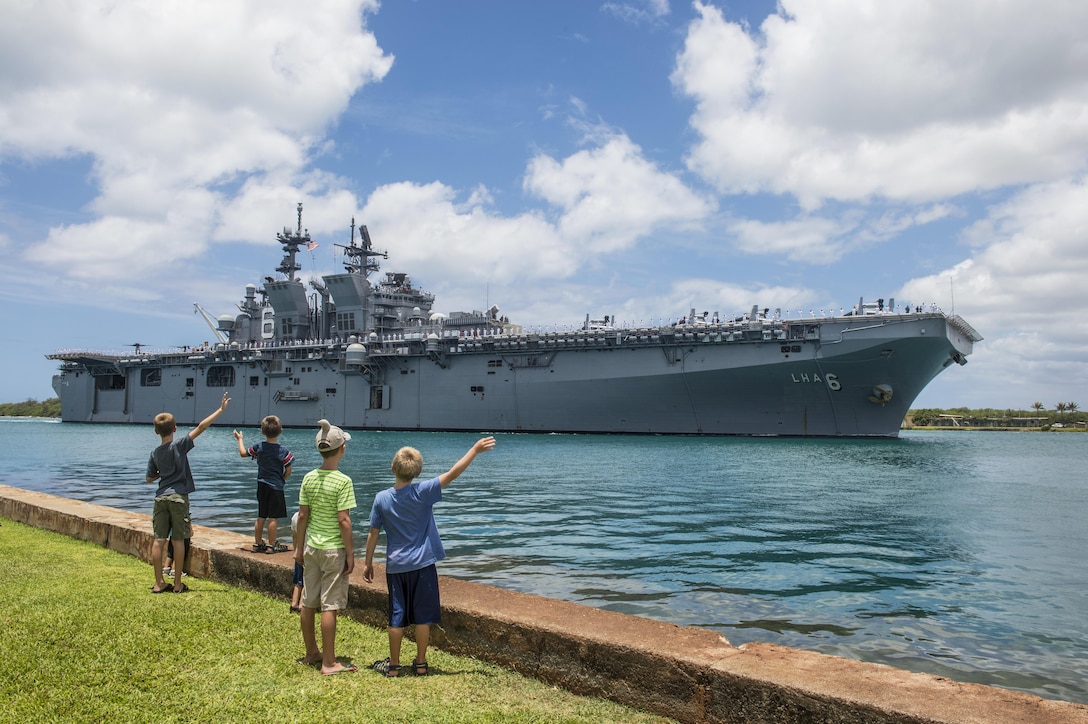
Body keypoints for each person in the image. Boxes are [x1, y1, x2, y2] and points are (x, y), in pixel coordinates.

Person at [363, 436, 496, 677]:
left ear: (393, 468)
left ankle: (393, 666)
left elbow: (373, 533)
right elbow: (453, 473)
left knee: (397, 615)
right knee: (422, 616)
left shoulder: (381, 498)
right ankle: (421, 663)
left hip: (396, 567)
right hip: (423, 564)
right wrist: (474, 450)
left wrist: (368, 562)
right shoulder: (423, 492)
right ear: (418, 472)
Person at [146, 391, 230, 594]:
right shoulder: (180, 445)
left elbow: (149, 478)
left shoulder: (155, 453)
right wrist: (220, 410)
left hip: (161, 497)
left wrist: (160, 473)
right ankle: (176, 584)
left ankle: (158, 583)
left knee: (159, 540)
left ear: (156, 431)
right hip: (178, 497)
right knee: (178, 540)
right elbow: (201, 427)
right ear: (174, 428)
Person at [295, 419, 358, 675]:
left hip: (311, 547)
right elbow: (344, 520)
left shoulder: (308, 478)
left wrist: (298, 548)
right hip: (333, 549)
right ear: (342, 449)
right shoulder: (343, 481)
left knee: (308, 602)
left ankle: (311, 651)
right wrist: (351, 553)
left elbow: (302, 516)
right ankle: (329, 662)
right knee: (329, 605)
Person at [233, 416, 294, 553]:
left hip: (262, 485)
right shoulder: (283, 451)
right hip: (276, 487)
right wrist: (282, 479)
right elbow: (288, 470)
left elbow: (243, 453)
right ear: (281, 431)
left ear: (262, 432)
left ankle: (257, 543)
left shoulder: (259, 447)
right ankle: (272, 545)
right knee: (273, 517)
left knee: (261, 515)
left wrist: (240, 439)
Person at [289, 510, 304, 613]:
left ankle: (293, 604)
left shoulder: (295, 517)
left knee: (298, 582)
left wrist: (295, 551)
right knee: (307, 583)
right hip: (308, 554)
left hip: (298, 553)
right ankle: (302, 605)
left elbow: (294, 537)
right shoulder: (310, 518)